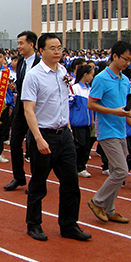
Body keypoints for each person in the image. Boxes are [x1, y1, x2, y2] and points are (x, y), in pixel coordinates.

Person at [22, 33, 91, 242]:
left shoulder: (62, 71)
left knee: (71, 182)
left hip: (64, 135)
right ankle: (34, 224)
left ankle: (69, 225)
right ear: (41, 51)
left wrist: (67, 127)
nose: (58, 51)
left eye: (59, 47)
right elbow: (28, 110)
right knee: (39, 183)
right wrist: (39, 138)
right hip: (44, 135)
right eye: (52, 48)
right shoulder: (34, 76)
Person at [87, 41, 131, 224]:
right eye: (125, 59)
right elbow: (91, 104)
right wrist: (115, 112)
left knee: (116, 172)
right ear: (115, 56)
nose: (128, 63)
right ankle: (97, 201)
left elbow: (123, 107)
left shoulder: (125, 80)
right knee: (121, 170)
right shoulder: (101, 78)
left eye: (130, 60)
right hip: (107, 130)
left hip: (120, 130)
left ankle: (109, 210)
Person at [4, 31, 40, 191]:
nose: (18, 46)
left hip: (36, 111)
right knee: (15, 143)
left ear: (31, 44)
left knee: (33, 146)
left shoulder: (41, 63)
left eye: (21, 43)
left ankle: (37, 180)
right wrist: (15, 87)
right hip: (21, 110)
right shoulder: (22, 63)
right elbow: (22, 83)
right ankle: (18, 177)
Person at [69, 64, 95, 178]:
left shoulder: (89, 89)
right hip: (77, 122)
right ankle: (75, 166)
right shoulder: (75, 88)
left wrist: (93, 119)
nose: (92, 77)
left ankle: (81, 166)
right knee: (79, 145)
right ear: (85, 74)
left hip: (87, 123)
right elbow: (68, 106)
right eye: (91, 75)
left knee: (86, 146)